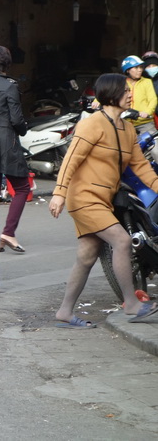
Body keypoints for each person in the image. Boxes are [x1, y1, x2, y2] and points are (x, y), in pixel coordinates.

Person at [49, 73, 158, 326]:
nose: (130, 94)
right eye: (125, 90)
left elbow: (141, 167)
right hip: (84, 198)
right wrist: (58, 193)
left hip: (103, 199)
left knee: (87, 254)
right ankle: (131, 304)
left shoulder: (127, 128)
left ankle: (64, 312)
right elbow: (71, 160)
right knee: (121, 240)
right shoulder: (92, 124)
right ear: (111, 94)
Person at [0, 45, 29, 253]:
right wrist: (24, 130)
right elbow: (17, 119)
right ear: (7, 63)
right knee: (22, 188)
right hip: (7, 141)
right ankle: (8, 232)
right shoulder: (10, 86)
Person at [121, 55, 157, 134]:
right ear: (128, 70)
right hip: (124, 123)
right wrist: (97, 101)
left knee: (153, 144)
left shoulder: (147, 82)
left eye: (141, 67)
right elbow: (108, 93)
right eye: (136, 68)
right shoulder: (121, 82)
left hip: (145, 123)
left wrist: (147, 112)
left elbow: (153, 99)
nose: (140, 70)